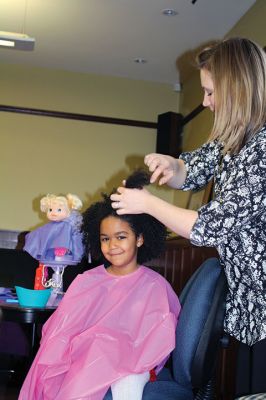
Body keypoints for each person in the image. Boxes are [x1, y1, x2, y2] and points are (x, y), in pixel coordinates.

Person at [111, 37, 266, 393]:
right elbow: (190, 171)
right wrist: (170, 164)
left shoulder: (262, 149)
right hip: (249, 310)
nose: (205, 102)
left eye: (211, 92)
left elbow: (210, 228)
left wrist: (148, 203)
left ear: (238, 90)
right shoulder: (233, 140)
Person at [18, 170, 181, 400]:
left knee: (126, 381)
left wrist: (113, 348)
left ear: (140, 239)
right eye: (105, 239)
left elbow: (157, 339)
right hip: (84, 361)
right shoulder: (87, 281)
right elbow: (60, 333)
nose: (112, 245)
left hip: (131, 365)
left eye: (121, 237)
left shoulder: (155, 286)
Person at [24, 193, 84, 263]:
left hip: (64, 251)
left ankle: (61, 248)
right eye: (50, 210)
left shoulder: (67, 225)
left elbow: (66, 237)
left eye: (59, 210)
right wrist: (31, 236)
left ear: (68, 211)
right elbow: (42, 232)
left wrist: (62, 247)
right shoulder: (52, 225)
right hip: (53, 253)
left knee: (65, 231)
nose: (53, 213)